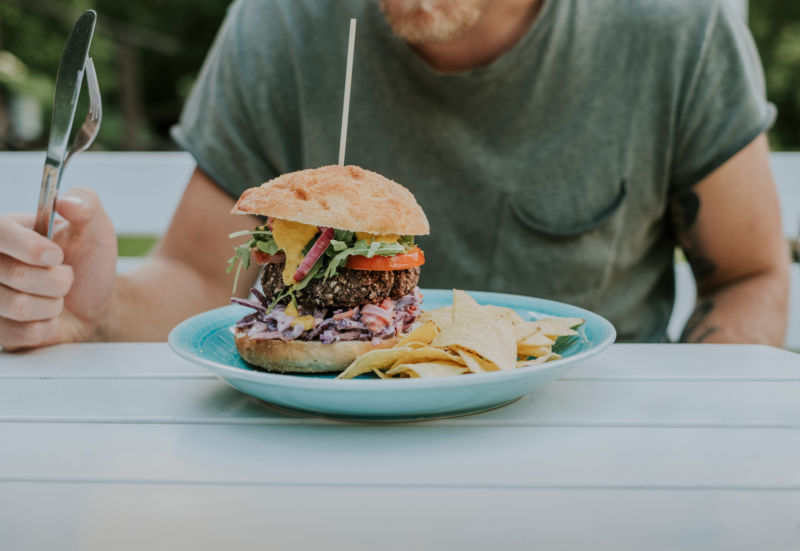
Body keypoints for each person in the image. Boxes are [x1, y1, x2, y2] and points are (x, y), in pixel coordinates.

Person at [0, 0, 790, 349]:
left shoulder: (676, 27)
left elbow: (752, 273)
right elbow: (200, 274)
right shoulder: (280, 24)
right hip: (318, 462)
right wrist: (95, 305)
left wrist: (684, 419)